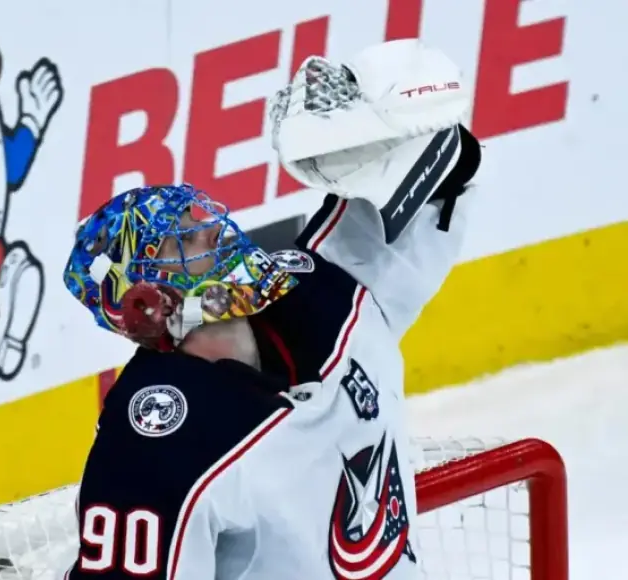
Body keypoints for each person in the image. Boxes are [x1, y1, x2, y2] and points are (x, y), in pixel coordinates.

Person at [61, 39, 481, 579]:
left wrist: (385, 105)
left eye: (201, 216)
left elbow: (444, 180)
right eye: (183, 242)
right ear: (148, 302)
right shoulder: (155, 441)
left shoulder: (330, 291)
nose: (213, 228)